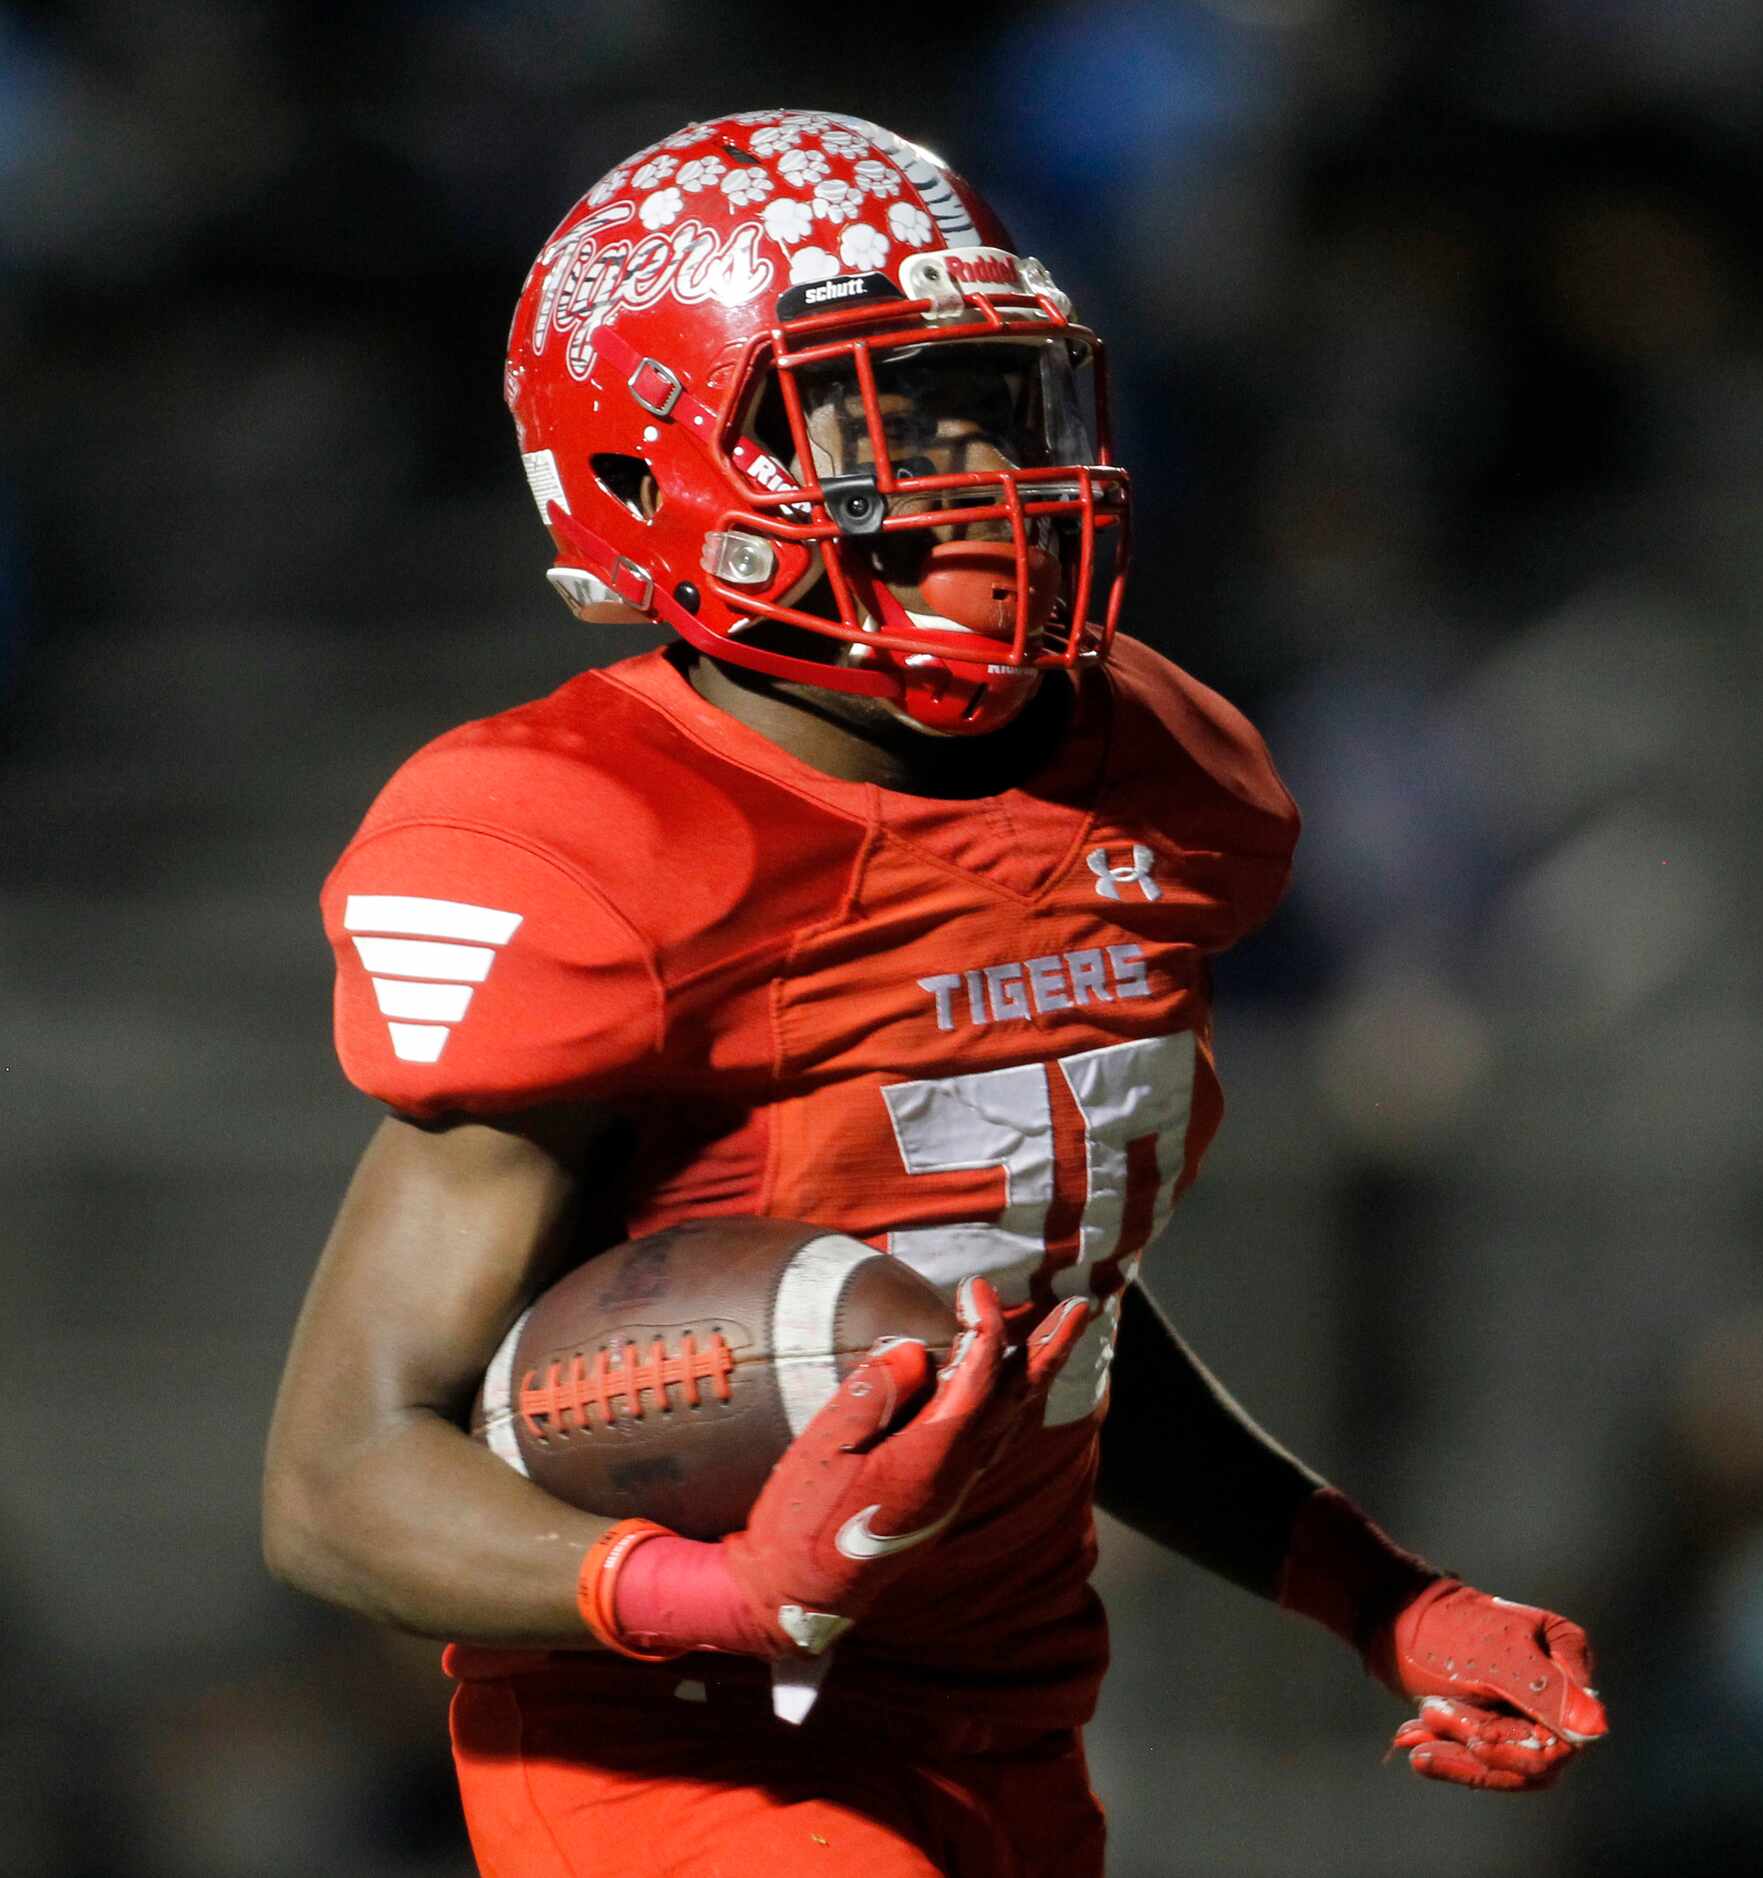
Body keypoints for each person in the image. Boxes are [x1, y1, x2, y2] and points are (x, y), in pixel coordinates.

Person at [263, 109, 1608, 1877]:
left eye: (992, 402)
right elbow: (337, 1472)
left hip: (1014, 1720)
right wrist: (716, 1588)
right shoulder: (590, 842)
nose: (977, 473)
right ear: (663, 464)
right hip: (686, 1752)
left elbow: (1033, 1329)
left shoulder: (1163, 771)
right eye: (883, 414)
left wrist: (1380, 1594)